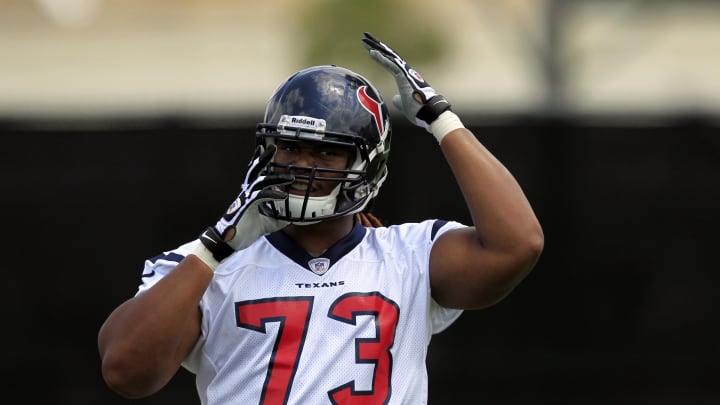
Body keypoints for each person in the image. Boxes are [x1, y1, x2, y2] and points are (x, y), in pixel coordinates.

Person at [98, 32, 544, 404]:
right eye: (290, 146)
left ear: (368, 165)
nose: (301, 164)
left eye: (327, 151)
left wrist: (441, 120)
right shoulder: (203, 265)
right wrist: (214, 247)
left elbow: (518, 243)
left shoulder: (408, 254)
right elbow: (125, 371)